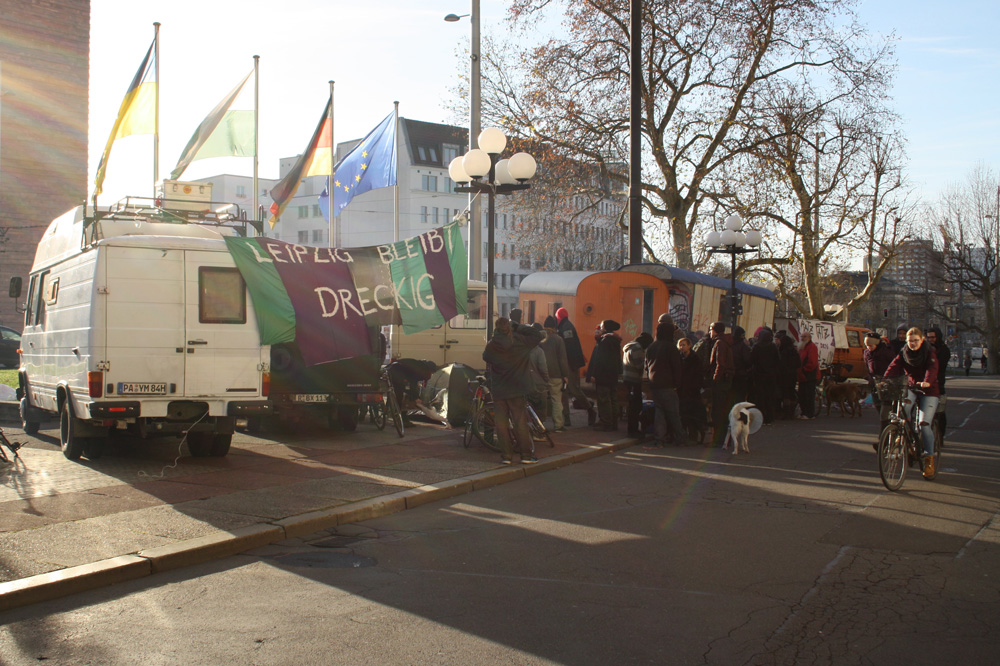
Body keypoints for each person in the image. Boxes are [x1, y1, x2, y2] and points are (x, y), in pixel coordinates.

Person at [483, 317, 545, 465]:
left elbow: (486, 357)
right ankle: (526, 455)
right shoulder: (520, 341)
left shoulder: (492, 345)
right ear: (509, 328)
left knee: (501, 424)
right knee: (520, 422)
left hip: (499, 390)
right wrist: (518, 327)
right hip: (517, 388)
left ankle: (506, 456)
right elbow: (538, 335)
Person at [883, 327, 941, 479]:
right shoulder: (904, 353)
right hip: (912, 387)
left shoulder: (929, 352)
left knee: (924, 423)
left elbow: (932, 368)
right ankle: (902, 435)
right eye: (910, 341)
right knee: (902, 410)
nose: (913, 344)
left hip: (929, 390)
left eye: (916, 340)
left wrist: (927, 382)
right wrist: (884, 380)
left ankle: (929, 458)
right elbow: (894, 366)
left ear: (922, 340)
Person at [645, 320, 688, 446]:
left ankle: (659, 439)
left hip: (654, 384)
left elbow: (646, 366)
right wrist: (677, 384)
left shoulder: (651, 347)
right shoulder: (671, 347)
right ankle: (681, 438)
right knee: (673, 413)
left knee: (660, 412)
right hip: (668, 385)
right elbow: (676, 367)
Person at [556, 307, 597, 426]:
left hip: (570, 363)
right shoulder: (565, 326)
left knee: (573, 389)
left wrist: (571, 364)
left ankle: (590, 409)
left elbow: (569, 347)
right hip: (567, 363)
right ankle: (567, 417)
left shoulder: (566, 327)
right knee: (564, 390)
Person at [586, 319, 623, 432]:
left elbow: (599, 360)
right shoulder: (615, 341)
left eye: (602, 326)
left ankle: (606, 422)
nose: (600, 328)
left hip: (603, 375)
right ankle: (614, 422)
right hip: (613, 374)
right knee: (613, 398)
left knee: (603, 399)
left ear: (606, 328)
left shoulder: (604, 341)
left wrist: (594, 374)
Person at [540, 315, 571, 432]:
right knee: (556, 399)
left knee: (541, 400)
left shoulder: (540, 339)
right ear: (555, 326)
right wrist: (565, 375)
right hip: (556, 374)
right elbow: (562, 359)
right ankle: (558, 425)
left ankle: (539, 425)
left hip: (541, 374)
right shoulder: (558, 340)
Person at [863, 330, 897, 439]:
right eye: (867, 345)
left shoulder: (886, 352)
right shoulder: (867, 353)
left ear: (877, 344)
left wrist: (887, 379)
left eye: (871, 345)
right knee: (879, 409)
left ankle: (884, 438)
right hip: (875, 385)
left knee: (884, 413)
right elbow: (868, 368)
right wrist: (870, 379)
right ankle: (888, 432)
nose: (869, 347)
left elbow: (894, 366)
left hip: (887, 385)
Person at [385, 359, 438, 426]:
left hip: (390, 370)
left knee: (399, 394)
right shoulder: (420, 370)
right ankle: (399, 420)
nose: (431, 375)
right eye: (431, 372)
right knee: (400, 396)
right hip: (396, 373)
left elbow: (412, 383)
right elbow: (411, 384)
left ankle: (393, 414)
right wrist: (416, 397)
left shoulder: (418, 365)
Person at [622, 331, 653, 438]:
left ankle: (632, 429)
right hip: (634, 380)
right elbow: (640, 365)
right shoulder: (637, 349)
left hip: (628, 378)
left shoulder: (629, 347)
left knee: (632, 406)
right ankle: (633, 430)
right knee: (636, 406)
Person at [708, 322, 734, 444]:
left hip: (721, 382)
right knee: (723, 410)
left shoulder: (719, 343)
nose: (709, 332)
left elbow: (720, 364)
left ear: (715, 331)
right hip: (726, 381)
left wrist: (715, 379)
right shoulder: (726, 342)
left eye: (711, 330)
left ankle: (718, 440)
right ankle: (725, 439)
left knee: (717, 411)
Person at [748, 327, 780, 424]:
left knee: (760, 398)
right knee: (769, 397)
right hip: (771, 376)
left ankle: (761, 417)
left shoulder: (757, 347)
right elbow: (777, 360)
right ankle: (770, 418)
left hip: (759, 375)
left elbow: (751, 360)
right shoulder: (773, 347)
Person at [677, 336, 707, 438]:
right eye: (680, 345)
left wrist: (696, 386)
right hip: (681, 390)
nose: (682, 347)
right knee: (682, 413)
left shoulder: (695, 358)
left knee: (692, 413)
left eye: (684, 345)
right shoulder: (678, 358)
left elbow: (699, 374)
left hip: (692, 390)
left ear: (689, 346)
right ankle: (683, 434)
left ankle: (693, 434)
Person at [926, 326, 951, 435]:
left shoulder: (944, 349)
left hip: (938, 383)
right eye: (929, 337)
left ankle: (940, 435)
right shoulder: (926, 348)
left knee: (940, 412)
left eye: (933, 337)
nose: (931, 339)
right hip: (926, 383)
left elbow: (939, 366)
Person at [526, 323, 550, 420]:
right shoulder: (539, 351)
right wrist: (547, 380)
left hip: (526, 384)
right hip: (538, 385)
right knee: (540, 410)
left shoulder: (523, 350)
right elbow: (543, 369)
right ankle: (540, 431)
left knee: (528, 411)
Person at [777, 332, 800, 419]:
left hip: (784, 376)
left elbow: (781, 364)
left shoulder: (783, 351)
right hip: (793, 375)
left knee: (785, 394)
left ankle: (786, 413)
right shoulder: (794, 351)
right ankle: (791, 412)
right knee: (791, 393)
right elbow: (798, 363)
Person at [797, 331, 819, 420]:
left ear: (809, 337)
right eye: (801, 336)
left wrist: (805, 369)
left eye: (804, 336)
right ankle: (804, 412)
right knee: (802, 395)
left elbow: (812, 361)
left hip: (809, 375)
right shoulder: (802, 346)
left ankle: (809, 413)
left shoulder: (812, 347)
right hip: (802, 375)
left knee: (808, 395)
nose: (802, 338)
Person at [731, 326, 752, 404]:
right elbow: (748, 360)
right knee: (739, 397)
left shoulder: (729, 344)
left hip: (729, 374)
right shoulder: (743, 346)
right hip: (741, 375)